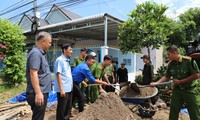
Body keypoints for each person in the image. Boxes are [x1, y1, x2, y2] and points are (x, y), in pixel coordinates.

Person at [150, 45, 200, 120]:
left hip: (190, 90)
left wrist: (181, 81)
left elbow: (197, 75)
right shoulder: (171, 64)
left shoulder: (188, 61)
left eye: (169, 54)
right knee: (173, 111)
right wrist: (156, 83)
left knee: (194, 113)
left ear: (175, 53)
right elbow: (166, 77)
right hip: (178, 90)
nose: (168, 57)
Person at [26, 31, 52, 120]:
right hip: (38, 93)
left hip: (42, 91)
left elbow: (41, 73)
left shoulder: (40, 54)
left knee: (39, 117)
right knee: (38, 118)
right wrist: (38, 92)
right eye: (49, 42)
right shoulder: (35, 54)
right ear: (43, 41)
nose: (50, 44)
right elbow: (33, 73)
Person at [54, 43, 73, 120]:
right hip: (63, 89)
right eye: (70, 50)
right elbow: (58, 74)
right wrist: (61, 89)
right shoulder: (60, 60)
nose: (72, 51)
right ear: (64, 50)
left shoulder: (67, 60)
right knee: (62, 109)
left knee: (68, 108)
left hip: (69, 88)